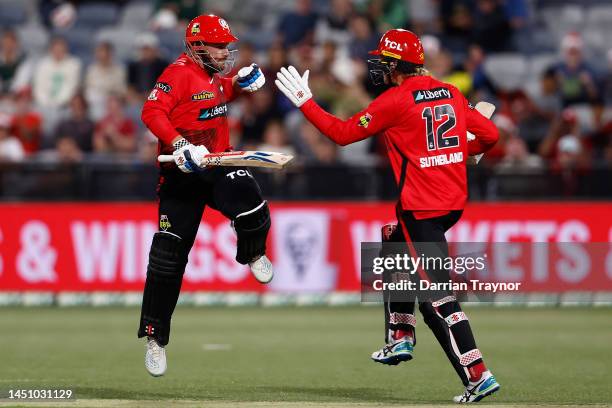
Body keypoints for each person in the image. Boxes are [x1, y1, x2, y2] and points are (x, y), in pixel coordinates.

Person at [275, 29, 500, 403]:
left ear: (397, 65)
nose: (378, 66)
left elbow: (343, 134)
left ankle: (477, 374)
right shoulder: (450, 92)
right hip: (451, 203)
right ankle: (400, 335)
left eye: (383, 60)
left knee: (437, 299)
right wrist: (464, 150)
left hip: (422, 207)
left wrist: (305, 102)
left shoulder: (394, 100)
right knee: (393, 240)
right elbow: (489, 135)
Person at [138, 14, 271, 378]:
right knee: (167, 258)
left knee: (255, 208)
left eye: (228, 45)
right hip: (180, 175)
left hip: (217, 163)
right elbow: (151, 111)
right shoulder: (177, 73)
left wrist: (238, 84)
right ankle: (155, 339)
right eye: (219, 46)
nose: (226, 51)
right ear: (197, 47)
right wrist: (179, 143)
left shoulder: (212, 75)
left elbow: (216, 93)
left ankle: (253, 251)